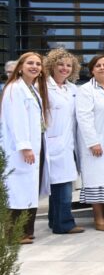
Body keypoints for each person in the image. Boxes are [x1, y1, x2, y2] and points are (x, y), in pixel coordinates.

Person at [1, 53, 50, 243]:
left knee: (29, 189)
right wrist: (25, 146)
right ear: (20, 67)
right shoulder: (15, 88)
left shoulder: (32, 89)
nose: (35, 66)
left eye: (38, 64)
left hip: (35, 144)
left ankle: (26, 231)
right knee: (17, 190)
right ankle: (14, 233)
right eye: (30, 63)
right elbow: (17, 120)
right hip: (21, 149)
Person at [42, 48, 83, 235]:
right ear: (52, 65)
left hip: (68, 144)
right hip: (52, 142)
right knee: (62, 187)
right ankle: (64, 224)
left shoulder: (72, 89)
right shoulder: (43, 86)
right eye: (60, 64)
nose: (65, 68)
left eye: (68, 65)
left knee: (61, 185)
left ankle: (55, 221)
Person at [76, 55, 104, 231]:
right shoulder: (86, 90)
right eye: (98, 65)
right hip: (96, 142)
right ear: (92, 70)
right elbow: (84, 117)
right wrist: (93, 142)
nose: (102, 68)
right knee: (96, 180)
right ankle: (98, 217)